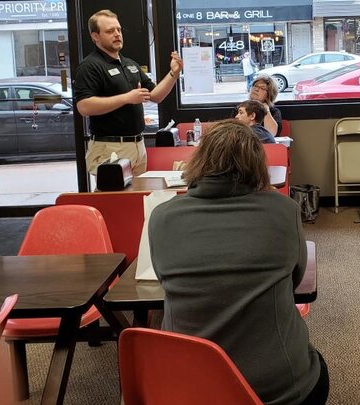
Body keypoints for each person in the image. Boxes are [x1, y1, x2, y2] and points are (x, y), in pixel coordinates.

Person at [148, 120, 329, 404]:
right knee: (316, 366)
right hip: (277, 389)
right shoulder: (284, 211)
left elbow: (164, 282)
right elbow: (294, 279)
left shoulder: (161, 216)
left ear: (199, 159)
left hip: (190, 387)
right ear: (257, 163)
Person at [74, 9, 182, 176]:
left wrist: (173, 73)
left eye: (118, 30)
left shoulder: (129, 64)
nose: (117, 34)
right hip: (110, 147)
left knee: (136, 197)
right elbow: (84, 106)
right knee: (115, 199)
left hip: (138, 144)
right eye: (110, 31)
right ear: (95, 36)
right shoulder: (90, 66)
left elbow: (156, 96)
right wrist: (126, 98)